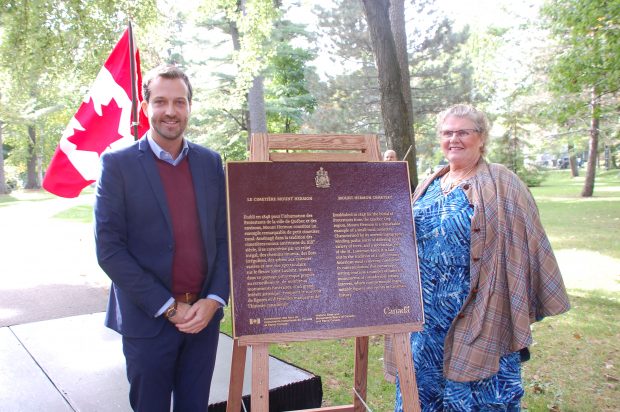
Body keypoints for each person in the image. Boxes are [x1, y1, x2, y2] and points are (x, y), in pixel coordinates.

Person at [386, 104, 570, 411]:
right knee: (421, 386)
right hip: (425, 312)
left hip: (478, 306)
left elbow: (525, 243)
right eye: (447, 132)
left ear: (481, 138)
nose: (454, 139)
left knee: (473, 393)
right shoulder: (431, 182)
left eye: (463, 132)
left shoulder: (501, 182)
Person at [94, 65, 229, 412]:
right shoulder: (117, 165)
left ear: (189, 107)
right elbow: (110, 250)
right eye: (161, 101)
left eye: (179, 102)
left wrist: (214, 300)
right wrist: (169, 308)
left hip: (203, 318)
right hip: (147, 320)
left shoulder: (211, 163)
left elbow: (224, 238)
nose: (171, 111)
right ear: (146, 106)